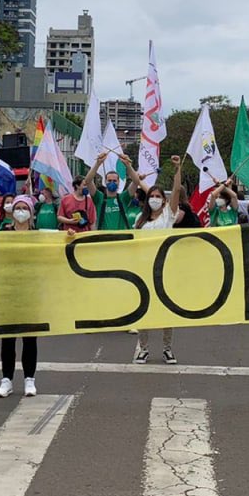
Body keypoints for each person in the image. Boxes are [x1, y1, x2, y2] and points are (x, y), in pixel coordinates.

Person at [133, 157, 184, 365]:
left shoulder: (168, 216)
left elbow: (177, 190)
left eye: (157, 196)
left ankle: (167, 349)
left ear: (164, 200)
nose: (154, 198)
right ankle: (143, 349)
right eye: (151, 196)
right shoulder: (140, 219)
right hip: (144, 268)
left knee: (166, 311)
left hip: (165, 269)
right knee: (145, 309)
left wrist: (178, 168)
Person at [0, 196, 40, 398]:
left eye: (25, 208)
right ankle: (7, 380)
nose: (21, 211)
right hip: (8, 291)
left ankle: (30, 379)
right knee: (8, 339)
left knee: (30, 338)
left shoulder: (39, 236)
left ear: (31, 212)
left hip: (31, 291)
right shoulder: (3, 234)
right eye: (18, 208)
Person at [85, 152, 142, 230]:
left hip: (121, 238)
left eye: (114, 181)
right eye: (109, 180)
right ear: (105, 182)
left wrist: (128, 165)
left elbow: (136, 181)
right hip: (104, 238)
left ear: (119, 182)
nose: (112, 182)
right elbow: (88, 181)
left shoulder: (124, 197)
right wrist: (97, 163)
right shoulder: (99, 197)